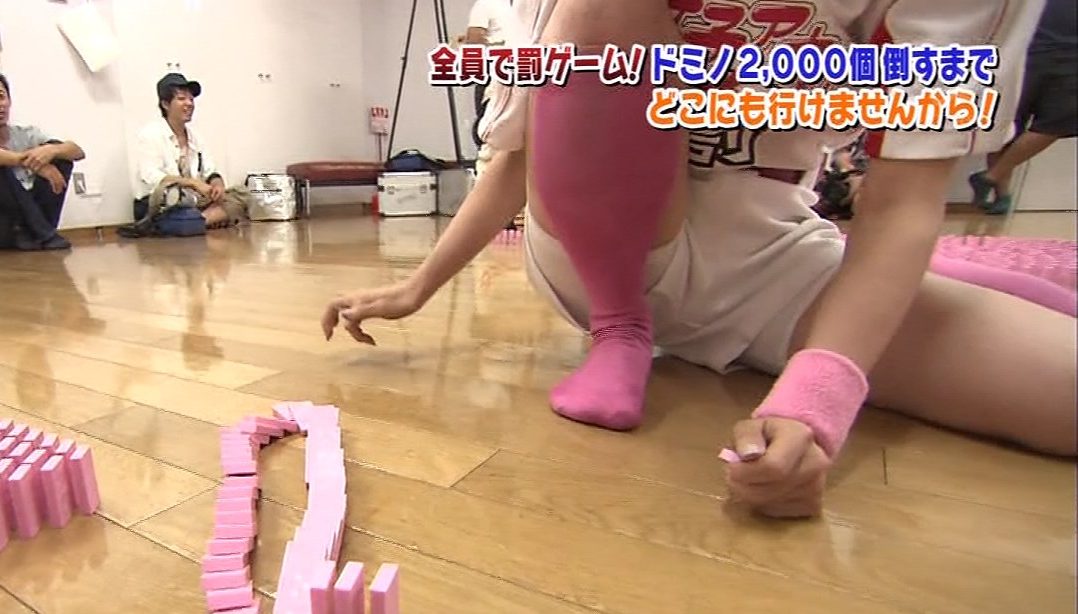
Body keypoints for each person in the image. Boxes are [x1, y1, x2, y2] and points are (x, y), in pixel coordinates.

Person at [321, 0, 1076, 520]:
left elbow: (906, 199)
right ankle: (622, 326)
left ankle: (949, 285)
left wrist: (816, 397)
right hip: (598, 246)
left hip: (776, 250)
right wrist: (420, 285)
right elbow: (521, 155)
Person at [0, 64, 83, 251]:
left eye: (1, 96)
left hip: (39, 218)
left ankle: (39, 231)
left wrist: (52, 151)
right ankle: (43, 234)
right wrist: (29, 162)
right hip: (3, 228)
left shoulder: (26, 133)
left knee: (60, 156)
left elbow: (77, 152)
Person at [968, 0, 1077, 215]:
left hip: (1072, 56)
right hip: (1024, 50)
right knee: (1008, 123)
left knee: (1061, 121)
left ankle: (990, 177)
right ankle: (1002, 195)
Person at [131, 72, 240, 230]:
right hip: (162, 203)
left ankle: (196, 221)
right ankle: (205, 219)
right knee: (175, 198)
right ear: (165, 104)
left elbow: (211, 171)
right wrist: (193, 183)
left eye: (191, 99)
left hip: (194, 200)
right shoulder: (150, 134)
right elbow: (151, 176)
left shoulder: (195, 137)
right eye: (182, 99)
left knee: (242, 195)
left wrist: (217, 185)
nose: (189, 104)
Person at [463, 0, 516, 149]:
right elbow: (474, 40)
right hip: (494, 69)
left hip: (524, 71)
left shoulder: (530, 6)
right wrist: (503, 44)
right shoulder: (487, 4)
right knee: (489, 118)